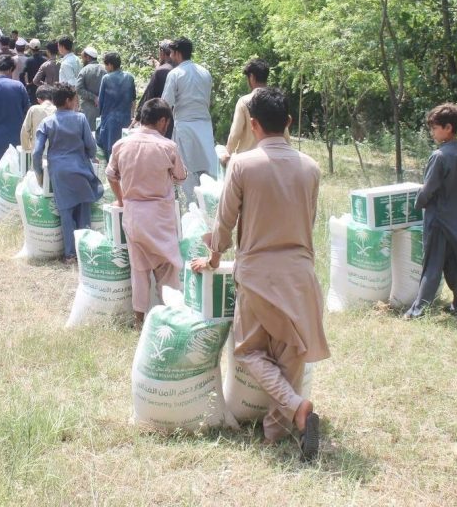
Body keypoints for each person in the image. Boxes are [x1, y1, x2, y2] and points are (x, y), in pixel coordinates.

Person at [192, 88, 327, 460]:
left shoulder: (243, 164)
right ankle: (275, 431)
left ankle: (296, 406)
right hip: (300, 274)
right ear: (288, 123)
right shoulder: (311, 167)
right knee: (292, 352)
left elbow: (225, 220)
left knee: (249, 350)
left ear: (252, 124)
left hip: (257, 275)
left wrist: (215, 257)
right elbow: (308, 220)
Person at [106, 99, 186, 327]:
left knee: (139, 270)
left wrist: (122, 199)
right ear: (162, 120)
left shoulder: (122, 144)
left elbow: (111, 175)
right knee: (167, 269)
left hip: (134, 215)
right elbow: (180, 177)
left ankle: (139, 320)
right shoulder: (167, 146)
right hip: (160, 217)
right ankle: (171, 319)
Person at [404, 104, 457, 319]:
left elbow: (428, 189)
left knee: (432, 265)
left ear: (448, 127)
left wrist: (416, 203)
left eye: (434, 128)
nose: (432, 133)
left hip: (440, 220)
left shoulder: (440, 156)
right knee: (456, 267)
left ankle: (418, 310)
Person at [33, 83, 103, 262]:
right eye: (75, 99)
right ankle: (86, 253)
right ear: (68, 101)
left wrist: (39, 173)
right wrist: (90, 156)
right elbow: (91, 147)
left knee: (66, 213)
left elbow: (37, 152)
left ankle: (70, 254)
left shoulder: (47, 122)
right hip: (81, 170)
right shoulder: (80, 119)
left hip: (59, 172)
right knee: (84, 211)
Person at [162, 37, 218, 203]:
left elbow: (166, 103)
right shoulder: (205, 72)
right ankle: (209, 201)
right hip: (205, 125)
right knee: (207, 164)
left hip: (185, 125)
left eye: (172, 52)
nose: (170, 56)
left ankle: (191, 203)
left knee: (186, 166)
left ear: (177, 53)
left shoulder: (175, 74)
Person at [222, 58, 270, 167]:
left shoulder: (244, 101)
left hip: (247, 161)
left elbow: (235, 133)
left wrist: (228, 152)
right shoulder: (276, 100)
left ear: (252, 77)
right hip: (271, 160)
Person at [96, 52, 136, 161]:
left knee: (110, 151)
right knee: (125, 152)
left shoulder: (106, 78)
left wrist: (101, 116)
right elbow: (133, 101)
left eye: (106, 65)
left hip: (109, 120)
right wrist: (132, 117)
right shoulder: (129, 77)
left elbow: (101, 101)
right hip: (126, 120)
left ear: (110, 65)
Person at [137, 40, 174, 115]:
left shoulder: (161, 71)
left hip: (161, 116)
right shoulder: (181, 69)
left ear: (162, 52)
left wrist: (139, 113)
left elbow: (149, 95)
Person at [75, 46, 106, 131]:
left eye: (83, 58)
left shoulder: (84, 70)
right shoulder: (105, 69)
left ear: (88, 58)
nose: (82, 60)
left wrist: (94, 97)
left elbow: (78, 88)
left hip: (88, 109)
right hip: (104, 109)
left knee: (89, 134)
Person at [21, 84, 56, 152]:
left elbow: (25, 130)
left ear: (38, 100)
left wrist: (26, 148)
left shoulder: (33, 109)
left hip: (37, 152)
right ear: (53, 98)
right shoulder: (58, 110)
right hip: (56, 153)